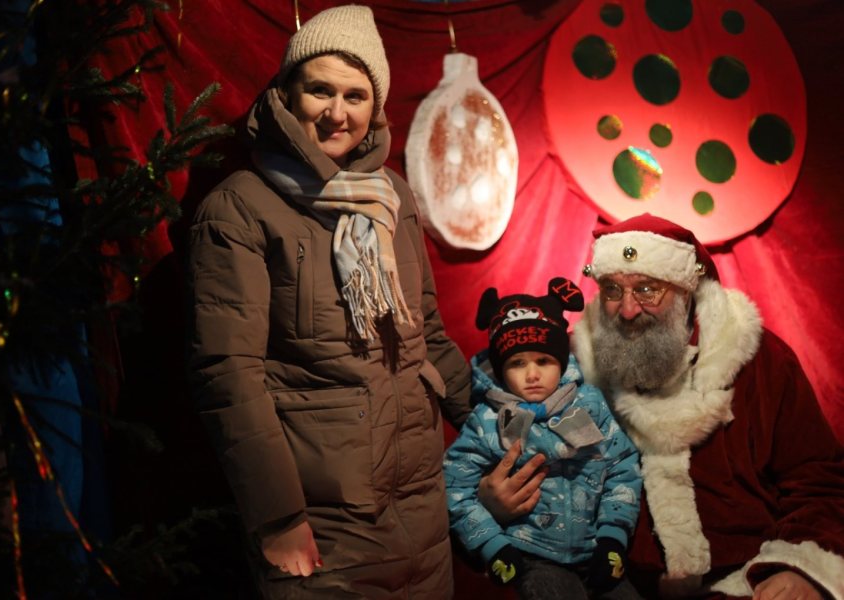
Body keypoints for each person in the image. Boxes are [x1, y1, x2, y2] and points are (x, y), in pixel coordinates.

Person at [184, 5, 472, 597]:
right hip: (324, 524)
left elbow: (427, 335)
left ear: (375, 108)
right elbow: (229, 374)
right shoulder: (239, 208)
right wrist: (278, 516)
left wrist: (499, 433)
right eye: (320, 90)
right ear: (288, 94)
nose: (337, 113)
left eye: (355, 95)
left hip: (422, 510)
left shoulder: (391, 196)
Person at [479, 214, 844, 599]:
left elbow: (818, 480)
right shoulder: (565, 366)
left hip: (740, 578)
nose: (627, 310)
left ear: (686, 291)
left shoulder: (757, 360)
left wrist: (798, 568)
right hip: (604, 576)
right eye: (612, 290)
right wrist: (493, 501)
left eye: (647, 289)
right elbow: (490, 440)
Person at [444, 277, 643, 599]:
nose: (533, 374)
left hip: (595, 548)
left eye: (544, 360)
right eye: (517, 363)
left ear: (561, 362)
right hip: (532, 556)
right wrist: (493, 546)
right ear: (500, 368)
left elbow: (622, 467)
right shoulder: (486, 421)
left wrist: (612, 538)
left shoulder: (590, 404)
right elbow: (454, 489)